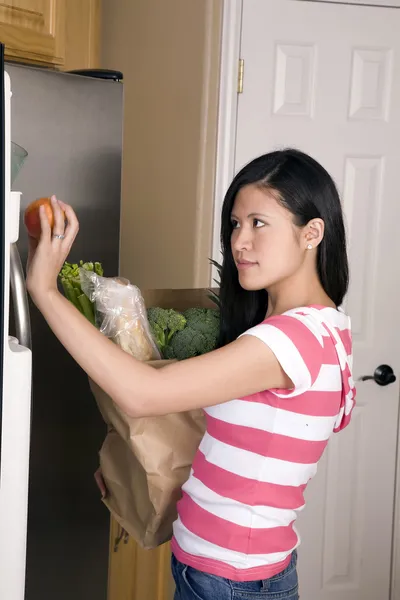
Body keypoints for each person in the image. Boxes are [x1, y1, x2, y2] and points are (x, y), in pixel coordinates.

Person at [26, 149, 355, 600]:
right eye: (235, 224)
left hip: (231, 582)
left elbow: (143, 394)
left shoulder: (289, 340)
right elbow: (241, 452)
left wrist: (44, 292)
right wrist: (133, 467)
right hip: (223, 572)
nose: (240, 241)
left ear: (311, 233)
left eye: (259, 223)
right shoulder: (324, 326)